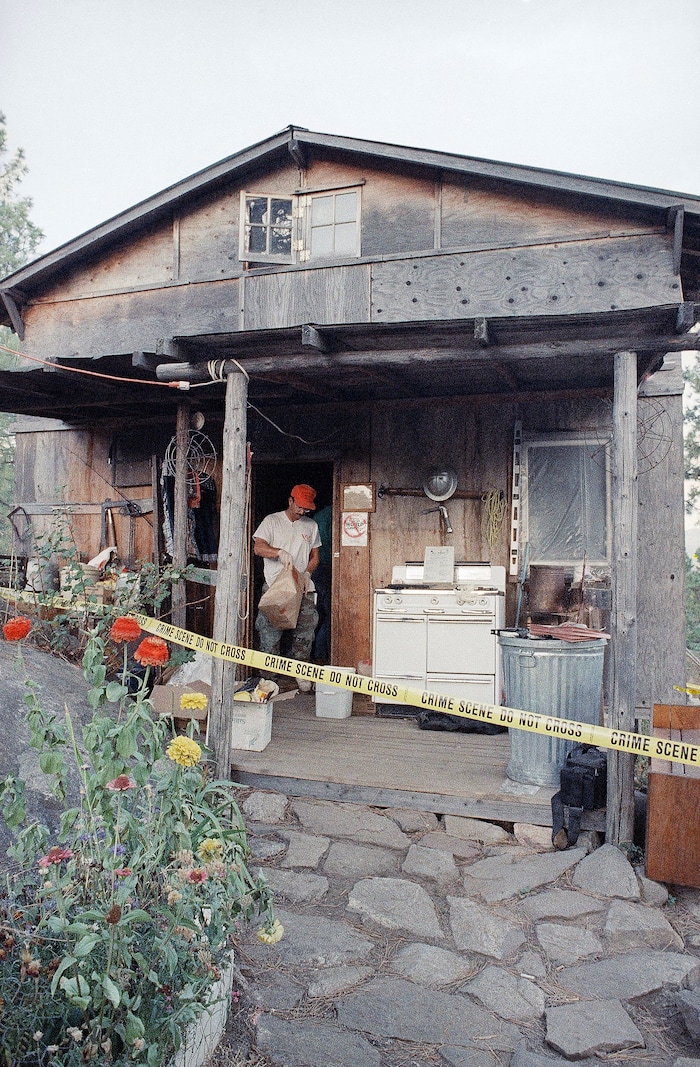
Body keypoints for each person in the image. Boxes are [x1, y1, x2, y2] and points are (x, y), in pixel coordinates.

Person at [253, 484, 321, 691]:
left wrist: (307, 574)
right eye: (299, 507)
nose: (302, 512)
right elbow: (258, 547)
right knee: (270, 633)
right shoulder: (272, 521)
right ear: (290, 500)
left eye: (306, 509)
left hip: (303, 588)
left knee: (305, 632)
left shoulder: (311, 526)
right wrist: (279, 553)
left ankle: (301, 673)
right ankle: (268, 678)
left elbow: (315, 556)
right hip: (277, 587)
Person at [312, 503, 332, 662]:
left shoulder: (317, 518)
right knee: (329, 616)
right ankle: (321, 656)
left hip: (315, 571)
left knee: (317, 615)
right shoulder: (334, 515)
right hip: (328, 570)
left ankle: (316, 655)